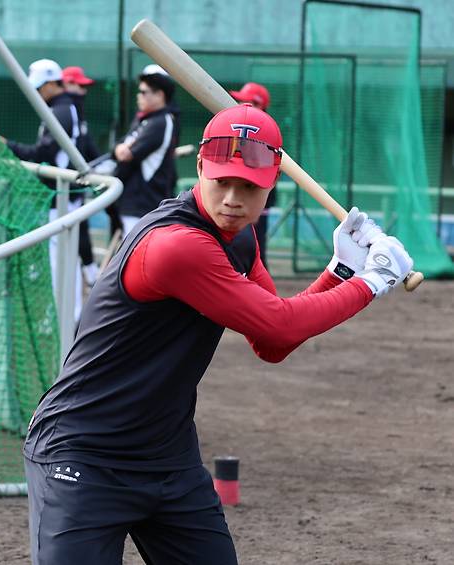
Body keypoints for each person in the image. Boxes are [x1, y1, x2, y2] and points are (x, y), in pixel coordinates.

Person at [23, 104, 414, 564]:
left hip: (167, 457)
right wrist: (371, 282)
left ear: (272, 182)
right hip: (84, 455)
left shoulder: (240, 239)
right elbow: (281, 323)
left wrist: (341, 269)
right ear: (199, 168)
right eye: (222, 181)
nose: (232, 199)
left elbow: (272, 343)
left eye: (248, 186)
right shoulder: (176, 246)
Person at [4, 59, 84, 320]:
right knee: (60, 260)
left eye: (39, 88)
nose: (37, 93)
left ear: (51, 84)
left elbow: (44, 153)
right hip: (60, 197)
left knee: (63, 261)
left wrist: (9, 146)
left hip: (63, 198)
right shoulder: (61, 108)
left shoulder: (61, 110)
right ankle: (66, 315)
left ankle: (69, 317)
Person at [112, 64, 179, 236]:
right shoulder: (146, 119)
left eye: (143, 92)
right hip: (134, 203)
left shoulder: (160, 122)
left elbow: (126, 154)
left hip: (143, 205)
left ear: (160, 95)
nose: (138, 96)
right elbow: (119, 147)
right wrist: (119, 149)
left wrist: (121, 150)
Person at [61, 65, 101, 287]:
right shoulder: (65, 109)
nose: (83, 91)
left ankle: (90, 273)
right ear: (66, 83)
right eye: (79, 85)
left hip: (76, 185)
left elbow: (87, 144)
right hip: (62, 187)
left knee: (80, 229)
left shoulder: (77, 110)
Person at [230, 81, 275, 268]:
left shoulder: (266, 132)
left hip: (257, 200)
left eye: (249, 102)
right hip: (240, 199)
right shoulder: (238, 129)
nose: (242, 106)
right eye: (240, 101)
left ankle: (261, 285)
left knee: (254, 251)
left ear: (260, 105)